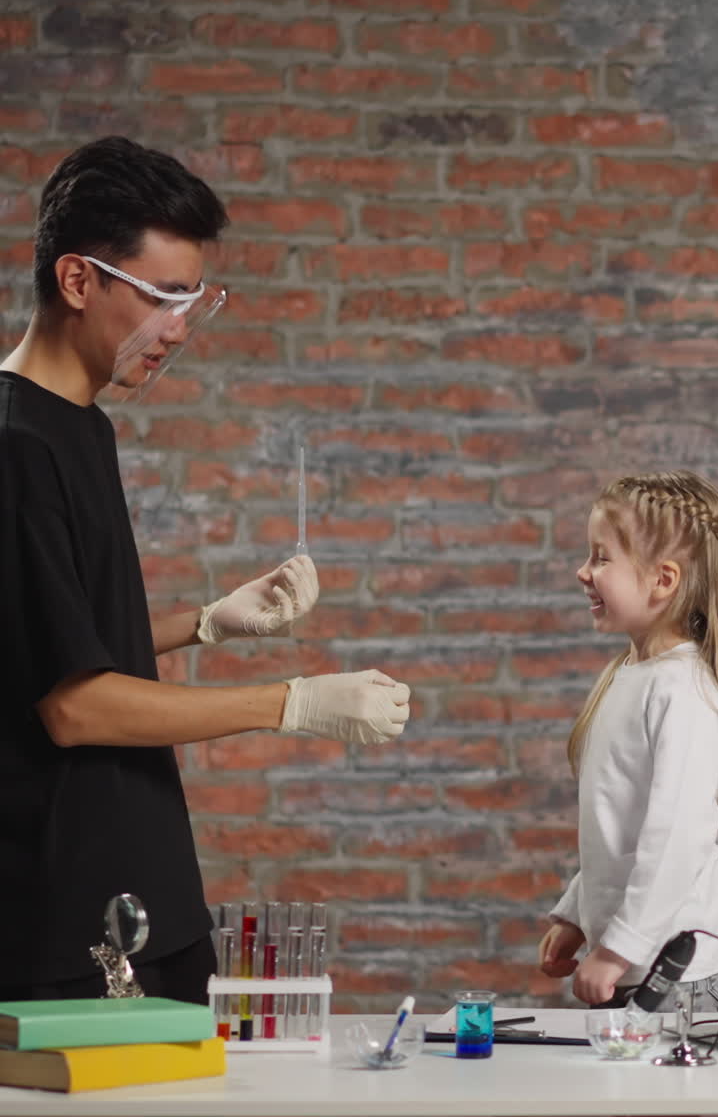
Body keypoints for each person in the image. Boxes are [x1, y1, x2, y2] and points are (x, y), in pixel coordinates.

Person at [0, 136, 411, 1004]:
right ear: (78, 281)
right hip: (67, 923)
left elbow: (49, 644)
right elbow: (73, 707)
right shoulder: (16, 446)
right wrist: (291, 703)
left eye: (195, 301)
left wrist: (209, 621)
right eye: (159, 299)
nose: (178, 329)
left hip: (140, 894)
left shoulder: (79, 424)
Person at [538, 470, 718, 1011]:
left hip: (675, 976)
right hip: (642, 964)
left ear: (663, 580)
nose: (582, 571)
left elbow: (679, 838)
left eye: (601, 557)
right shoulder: (629, 676)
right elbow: (619, 830)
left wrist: (617, 950)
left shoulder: (682, 691)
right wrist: (577, 914)